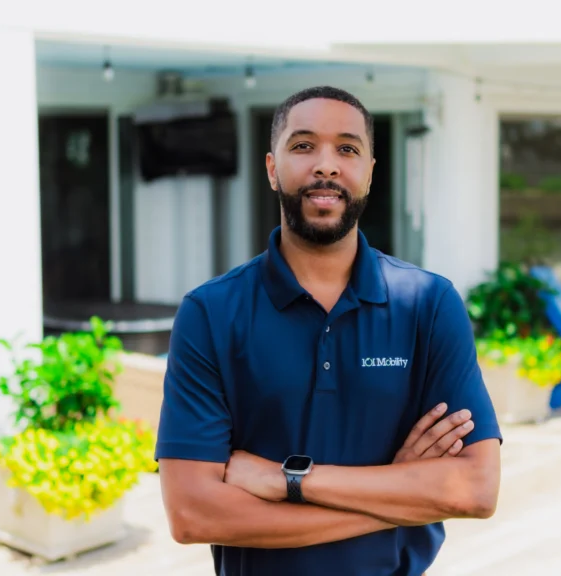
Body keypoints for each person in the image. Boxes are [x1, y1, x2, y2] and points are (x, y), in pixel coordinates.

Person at [155, 86, 502, 576]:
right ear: (273, 169)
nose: (327, 165)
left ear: (369, 173)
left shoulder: (428, 304)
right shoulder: (211, 312)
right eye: (303, 146)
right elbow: (192, 513)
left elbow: (475, 489)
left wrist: (288, 480)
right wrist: (398, 490)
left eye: (347, 148)